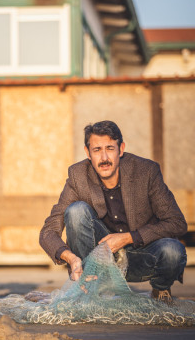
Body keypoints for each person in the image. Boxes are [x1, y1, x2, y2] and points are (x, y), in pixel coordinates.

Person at [39, 120, 187, 304]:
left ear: (121, 149)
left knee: (173, 250)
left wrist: (128, 238)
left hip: (140, 256)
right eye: (97, 150)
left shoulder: (146, 172)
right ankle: (88, 288)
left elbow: (177, 223)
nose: (104, 158)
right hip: (97, 262)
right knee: (76, 211)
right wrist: (71, 258)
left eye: (110, 148)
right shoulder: (78, 176)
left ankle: (160, 289)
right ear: (88, 153)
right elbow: (48, 232)